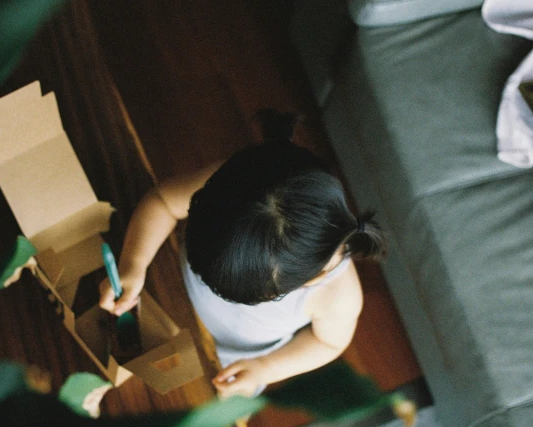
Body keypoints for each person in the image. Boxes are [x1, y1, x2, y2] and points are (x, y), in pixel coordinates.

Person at [99, 111, 388, 398]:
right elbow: (162, 202)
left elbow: (328, 344)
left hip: (231, 363)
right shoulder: (229, 187)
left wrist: (264, 368)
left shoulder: (337, 295)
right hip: (166, 294)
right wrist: (133, 264)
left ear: (313, 279)